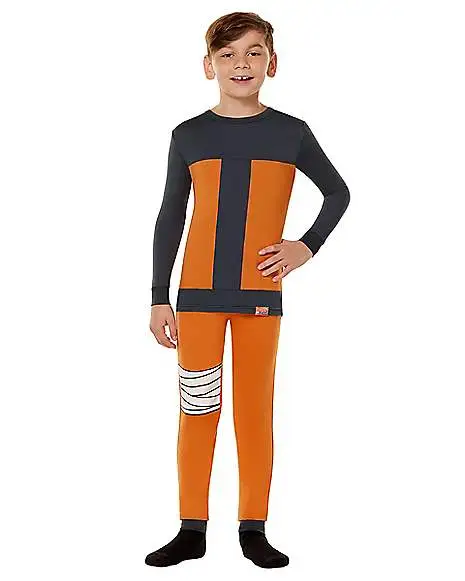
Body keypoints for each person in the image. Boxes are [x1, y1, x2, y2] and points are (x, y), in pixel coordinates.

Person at [145, 11, 350, 568]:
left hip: (261, 296)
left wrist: (305, 246)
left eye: (254, 52)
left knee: (254, 411)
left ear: (272, 63)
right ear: (208, 65)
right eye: (229, 54)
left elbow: (338, 193)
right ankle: (191, 529)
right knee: (198, 410)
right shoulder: (188, 135)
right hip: (197, 300)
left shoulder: (292, 133)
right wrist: (160, 296)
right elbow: (170, 216)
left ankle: (253, 529)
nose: (242, 64)